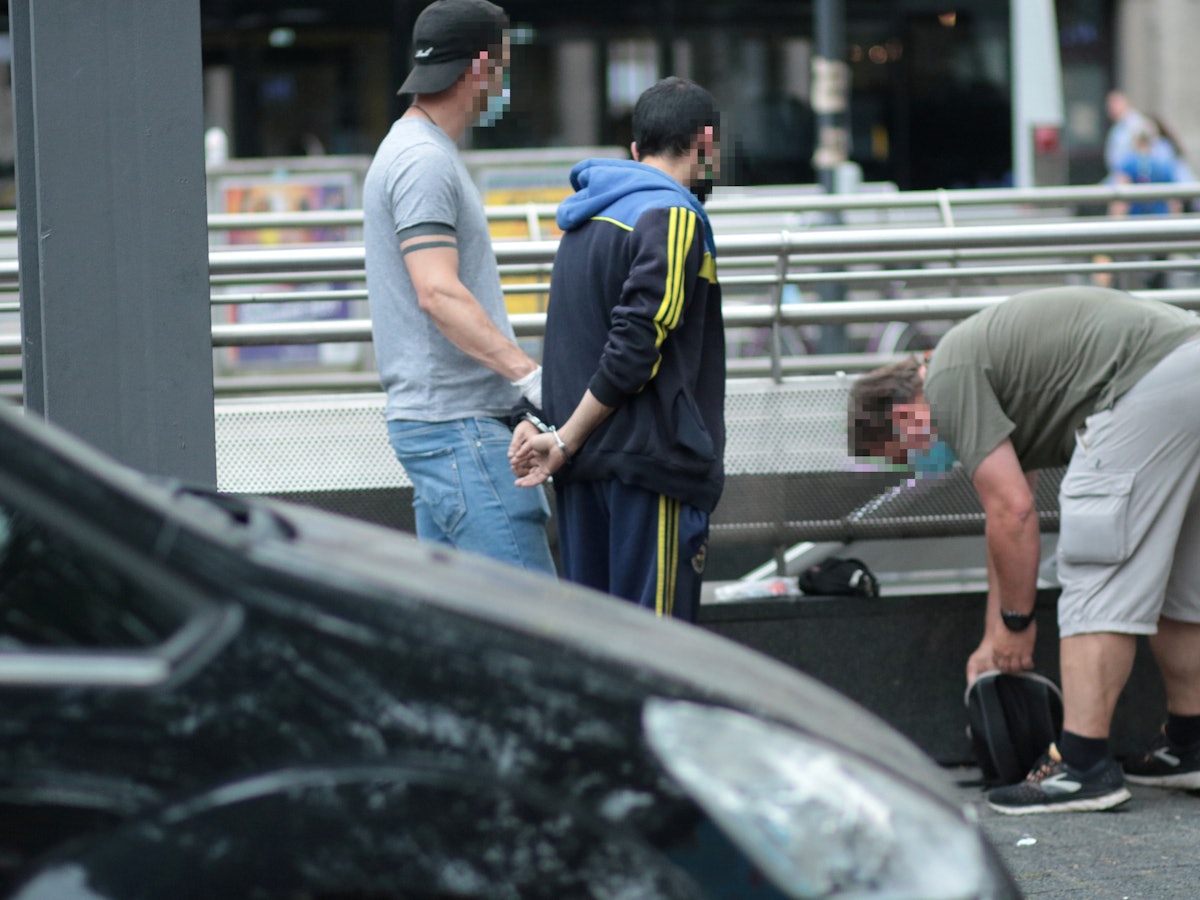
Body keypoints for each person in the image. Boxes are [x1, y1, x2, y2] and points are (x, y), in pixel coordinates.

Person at [849, 285, 1200, 815]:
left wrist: (1018, 624)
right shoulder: (982, 367)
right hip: (1183, 367)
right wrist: (998, 633)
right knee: (1182, 582)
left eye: (903, 456)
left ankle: (1081, 766)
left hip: (1146, 384)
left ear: (903, 417)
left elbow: (1012, 512)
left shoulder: (946, 381)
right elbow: (1014, 521)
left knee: (1097, 573)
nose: (917, 469)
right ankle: (1190, 743)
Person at [508, 77, 725, 622]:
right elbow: (636, 345)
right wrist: (563, 437)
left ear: (635, 151)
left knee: (601, 655)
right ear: (706, 144)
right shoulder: (673, 216)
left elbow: (573, 339)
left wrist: (556, 431)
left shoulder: (583, 221)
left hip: (585, 477)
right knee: (657, 658)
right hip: (647, 474)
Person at [363, 0, 554, 574]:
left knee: (455, 632)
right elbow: (438, 292)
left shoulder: (414, 149)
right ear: (478, 69)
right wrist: (529, 374)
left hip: (445, 430)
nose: (504, 83)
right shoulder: (423, 160)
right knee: (538, 624)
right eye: (502, 66)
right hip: (459, 430)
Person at [1104, 90, 1149, 181]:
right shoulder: (1117, 127)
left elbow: (1143, 154)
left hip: (1131, 178)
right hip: (1119, 176)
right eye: (1110, 105)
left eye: (1115, 103)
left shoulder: (1136, 123)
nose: (1112, 108)